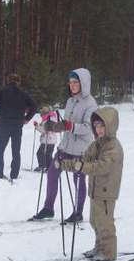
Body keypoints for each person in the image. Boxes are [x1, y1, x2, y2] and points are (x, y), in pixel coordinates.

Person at [31, 68, 98, 223]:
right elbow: (67, 125)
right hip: (65, 147)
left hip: (82, 149)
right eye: (70, 82)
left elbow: (89, 128)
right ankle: (48, 208)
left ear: (84, 83)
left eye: (75, 82)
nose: (72, 85)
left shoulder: (91, 104)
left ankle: (78, 212)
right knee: (52, 173)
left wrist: (70, 126)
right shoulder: (70, 101)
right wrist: (55, 126)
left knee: (78, 179)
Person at [60, 107, 123, 261]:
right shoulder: (97, 144)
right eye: (96, 126)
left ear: (110, 126)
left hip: (107, 191)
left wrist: (82, 167)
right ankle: (99, 247)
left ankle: (108, 252)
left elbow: (101, 167)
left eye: (102, 126)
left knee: (105, 223)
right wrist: (66, 164)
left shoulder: (113, 147)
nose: (99, 130)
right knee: (95, 221)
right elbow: (84, 160)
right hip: (95, 190)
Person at [0, 73, 37, 181]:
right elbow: (34, 106)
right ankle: (14, 175)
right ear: (18, 82)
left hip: (4, 125)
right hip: (17, 126)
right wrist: (27, 118)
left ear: (8, 81)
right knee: (16, 151)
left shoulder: (3, 91)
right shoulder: (23, 94)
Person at [33, 106, 57, 171]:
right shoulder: (51, 118)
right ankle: (50, 167)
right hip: (51, 140)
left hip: (48, 140)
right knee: (47, 154)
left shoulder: (49, 119)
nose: (41, 115)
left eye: (42, 113)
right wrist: (38, 125)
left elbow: (44, 130)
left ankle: (43, 166)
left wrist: (36, 126)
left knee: (40, 153)